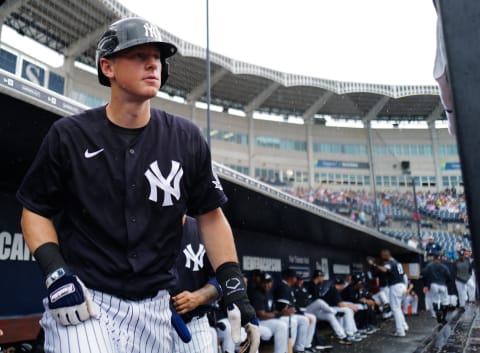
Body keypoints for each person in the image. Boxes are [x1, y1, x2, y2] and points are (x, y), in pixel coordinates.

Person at [16, 17, 259, 353]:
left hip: (157, 308)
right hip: (87, 300)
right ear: (108, 67)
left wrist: (234, 290)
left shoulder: (186, 138)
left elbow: (211, 216)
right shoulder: (69, 135)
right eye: (137, 55)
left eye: (157, 57)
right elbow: (34, 211)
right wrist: (57, 275)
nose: (152, 63)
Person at [171, 216, 221, 353]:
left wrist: (198, 297)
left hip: (194, 324)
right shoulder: (146, 227)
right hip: (152, 324)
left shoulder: (203, 230)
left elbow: (222, 278)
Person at [306, 272, 362, 344]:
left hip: (321, 310)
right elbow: (340, 304)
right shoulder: (312, 286)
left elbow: (340, 303)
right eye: (322, 276)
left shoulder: (322, 286)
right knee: (320, 302)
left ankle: (342, 336)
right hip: (311, 309)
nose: (323, 278)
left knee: (330, 316)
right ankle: (349, 332)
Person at [368, 250, 409, 337]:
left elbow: (384, 270)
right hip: (402, 286)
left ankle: (400, 331)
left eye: (383, 256)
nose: (383, 258)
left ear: (386, 255)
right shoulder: (397, 263)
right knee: (398, 308)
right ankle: (404, 326)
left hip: (395, 287)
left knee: (395, 309)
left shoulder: (390, 263)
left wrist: (374, 264)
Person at [274, 269, 314, 353]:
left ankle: (300, 348)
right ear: (290, 278)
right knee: (294, 321)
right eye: (295, 277)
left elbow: (293, 308)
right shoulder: (283, 287)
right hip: (281, 316)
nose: (296, 279)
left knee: (306, 320)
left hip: (290, 314)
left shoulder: (288, 287)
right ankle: (288, 350)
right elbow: (283, 308)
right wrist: (291, 311)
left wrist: (301, 313)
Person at [249, 272, 289, 353]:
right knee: (281, 326)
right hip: (257, 321)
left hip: (265, 321)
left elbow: (271, 311)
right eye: (265, 282)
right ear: (261, 282)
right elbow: (262, 315)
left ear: (272, 282)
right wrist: (278, 314)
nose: (267, 285)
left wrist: (278, 312)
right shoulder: (257, 294)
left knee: (286, 322)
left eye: (268, 282)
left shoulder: (269, 293)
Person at [294, 276, 333, 351]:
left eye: (301, 280)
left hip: (308, 308)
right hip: (300, 311)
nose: (300, 281)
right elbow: (295, 305)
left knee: (317, 315)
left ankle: (312, 343)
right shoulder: (293, 289)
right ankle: (315, 343)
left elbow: (309, 299)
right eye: (299, 280)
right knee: (313, 314)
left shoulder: (304, 288)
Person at [421, 254, 452, 324]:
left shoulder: (430, 265)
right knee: (445, 301)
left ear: (434, 258)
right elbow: (449, 277)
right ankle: (443, 318)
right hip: (443, 285)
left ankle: (437, 312)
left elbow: (423, 273)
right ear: (440, 259)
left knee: (435, 300)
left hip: (434, 284)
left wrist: (426, 284)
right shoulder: (444, 266)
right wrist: (445, 282)